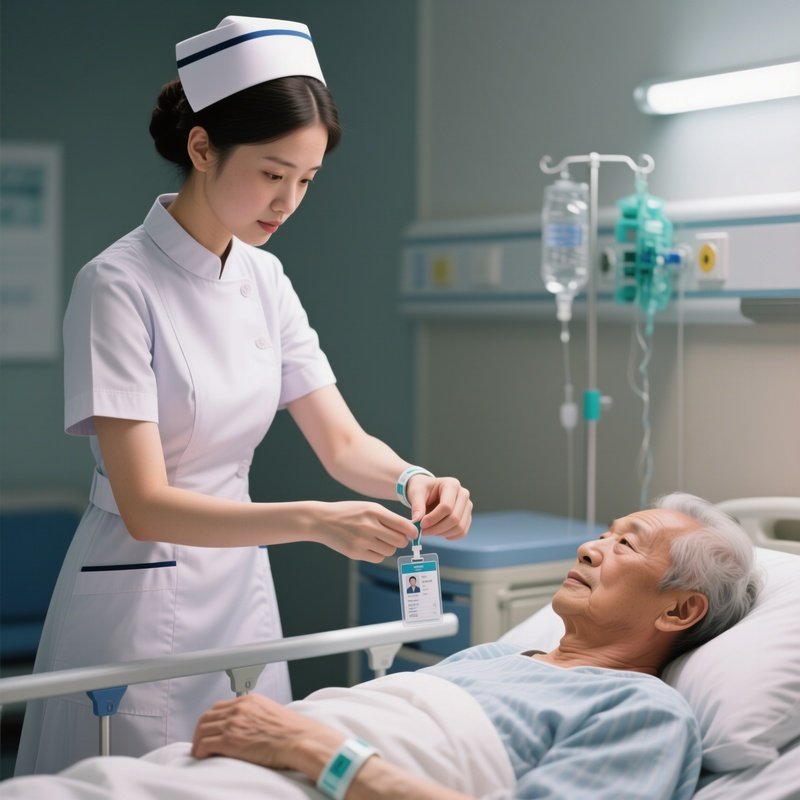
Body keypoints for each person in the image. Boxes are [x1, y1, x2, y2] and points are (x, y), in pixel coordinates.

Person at [14, 15, 472, 776]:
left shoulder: (266, 279)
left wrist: (412, 481)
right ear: (201, 147)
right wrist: (314, 523)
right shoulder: (117, 285)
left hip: (239, 591)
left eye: (306, 180)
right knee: (130, 781)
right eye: (271, 173)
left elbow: (342, 443)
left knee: (253, 779)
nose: (288, 201)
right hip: (135, 592)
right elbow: (146, 504)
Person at [187, 492, 761, 799]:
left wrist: (316, 750)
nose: (590, 547)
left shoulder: (642, 712)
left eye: (626, 546)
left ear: (680, 610)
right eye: (604, 534)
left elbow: (326, 748)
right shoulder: (488, 658)